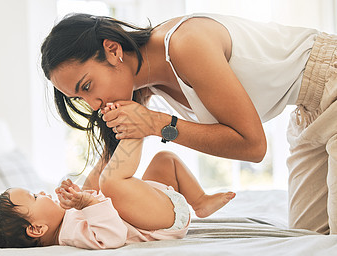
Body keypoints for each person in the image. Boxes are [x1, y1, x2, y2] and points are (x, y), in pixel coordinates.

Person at [40, 12, 337, 235]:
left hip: (332, 78)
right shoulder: (140, 83)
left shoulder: (185, 45)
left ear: (113, 50)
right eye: (79, 98)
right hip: (308, 113)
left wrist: (158, 124)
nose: (92, 105)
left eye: (88, 86)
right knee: (309, 240)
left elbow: (254, 146)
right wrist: (74, 204)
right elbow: (112, 158)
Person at [0, 104, 235, 249]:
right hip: (159, 223)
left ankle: (199, 201)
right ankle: (136, 127)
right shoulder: (70, 235)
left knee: (164, 160)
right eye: (35, 197)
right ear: (37, 229)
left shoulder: (65, 219)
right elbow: (112, 236)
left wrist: (81, 195)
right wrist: (87, 202)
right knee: (111, 183)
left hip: (159, 204)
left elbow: (94, 191)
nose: (43, 193)